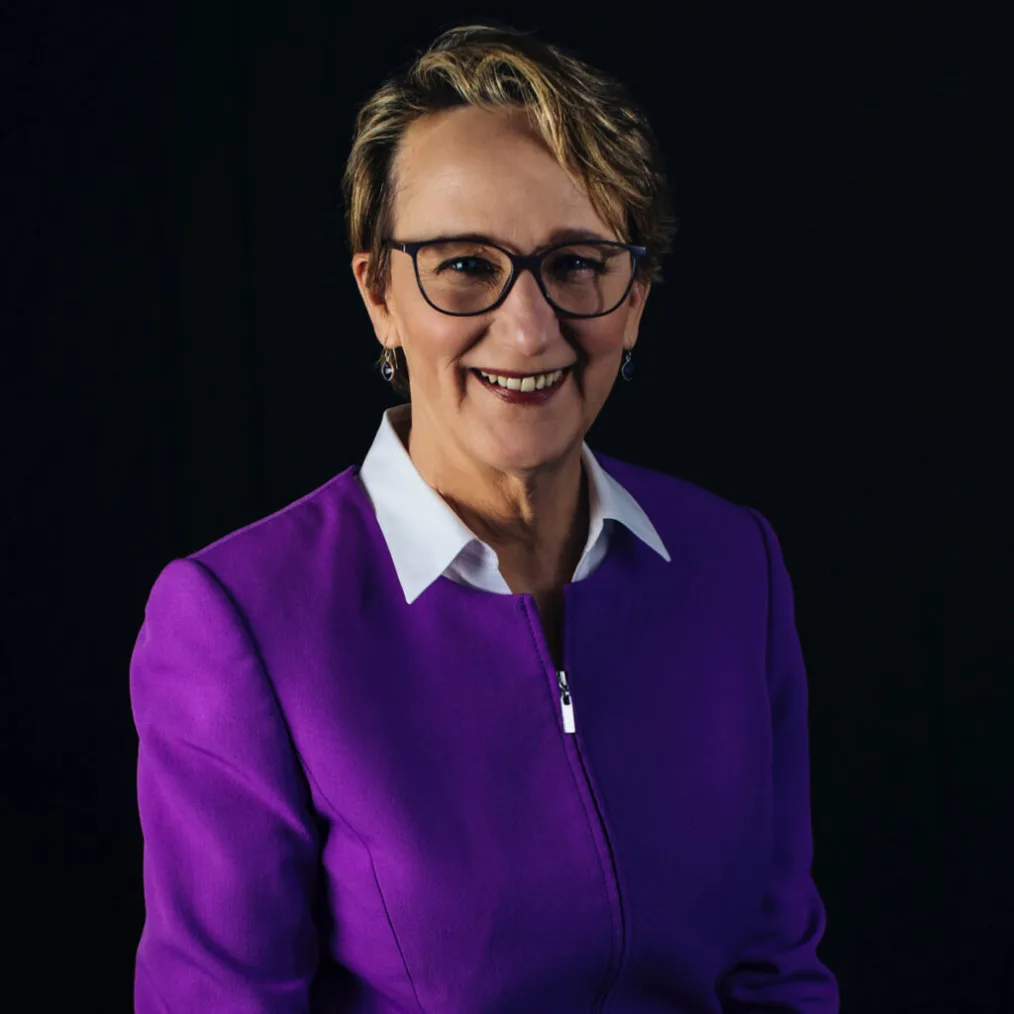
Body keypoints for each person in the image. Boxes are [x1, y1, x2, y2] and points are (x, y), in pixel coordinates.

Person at [130, 22, 839, 1014]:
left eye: (578, 262)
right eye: (465, 264)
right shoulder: (235, 619)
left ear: (636, 296)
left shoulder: (734, 566)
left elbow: (778, 975)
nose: (529, 326)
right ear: (379, 293)